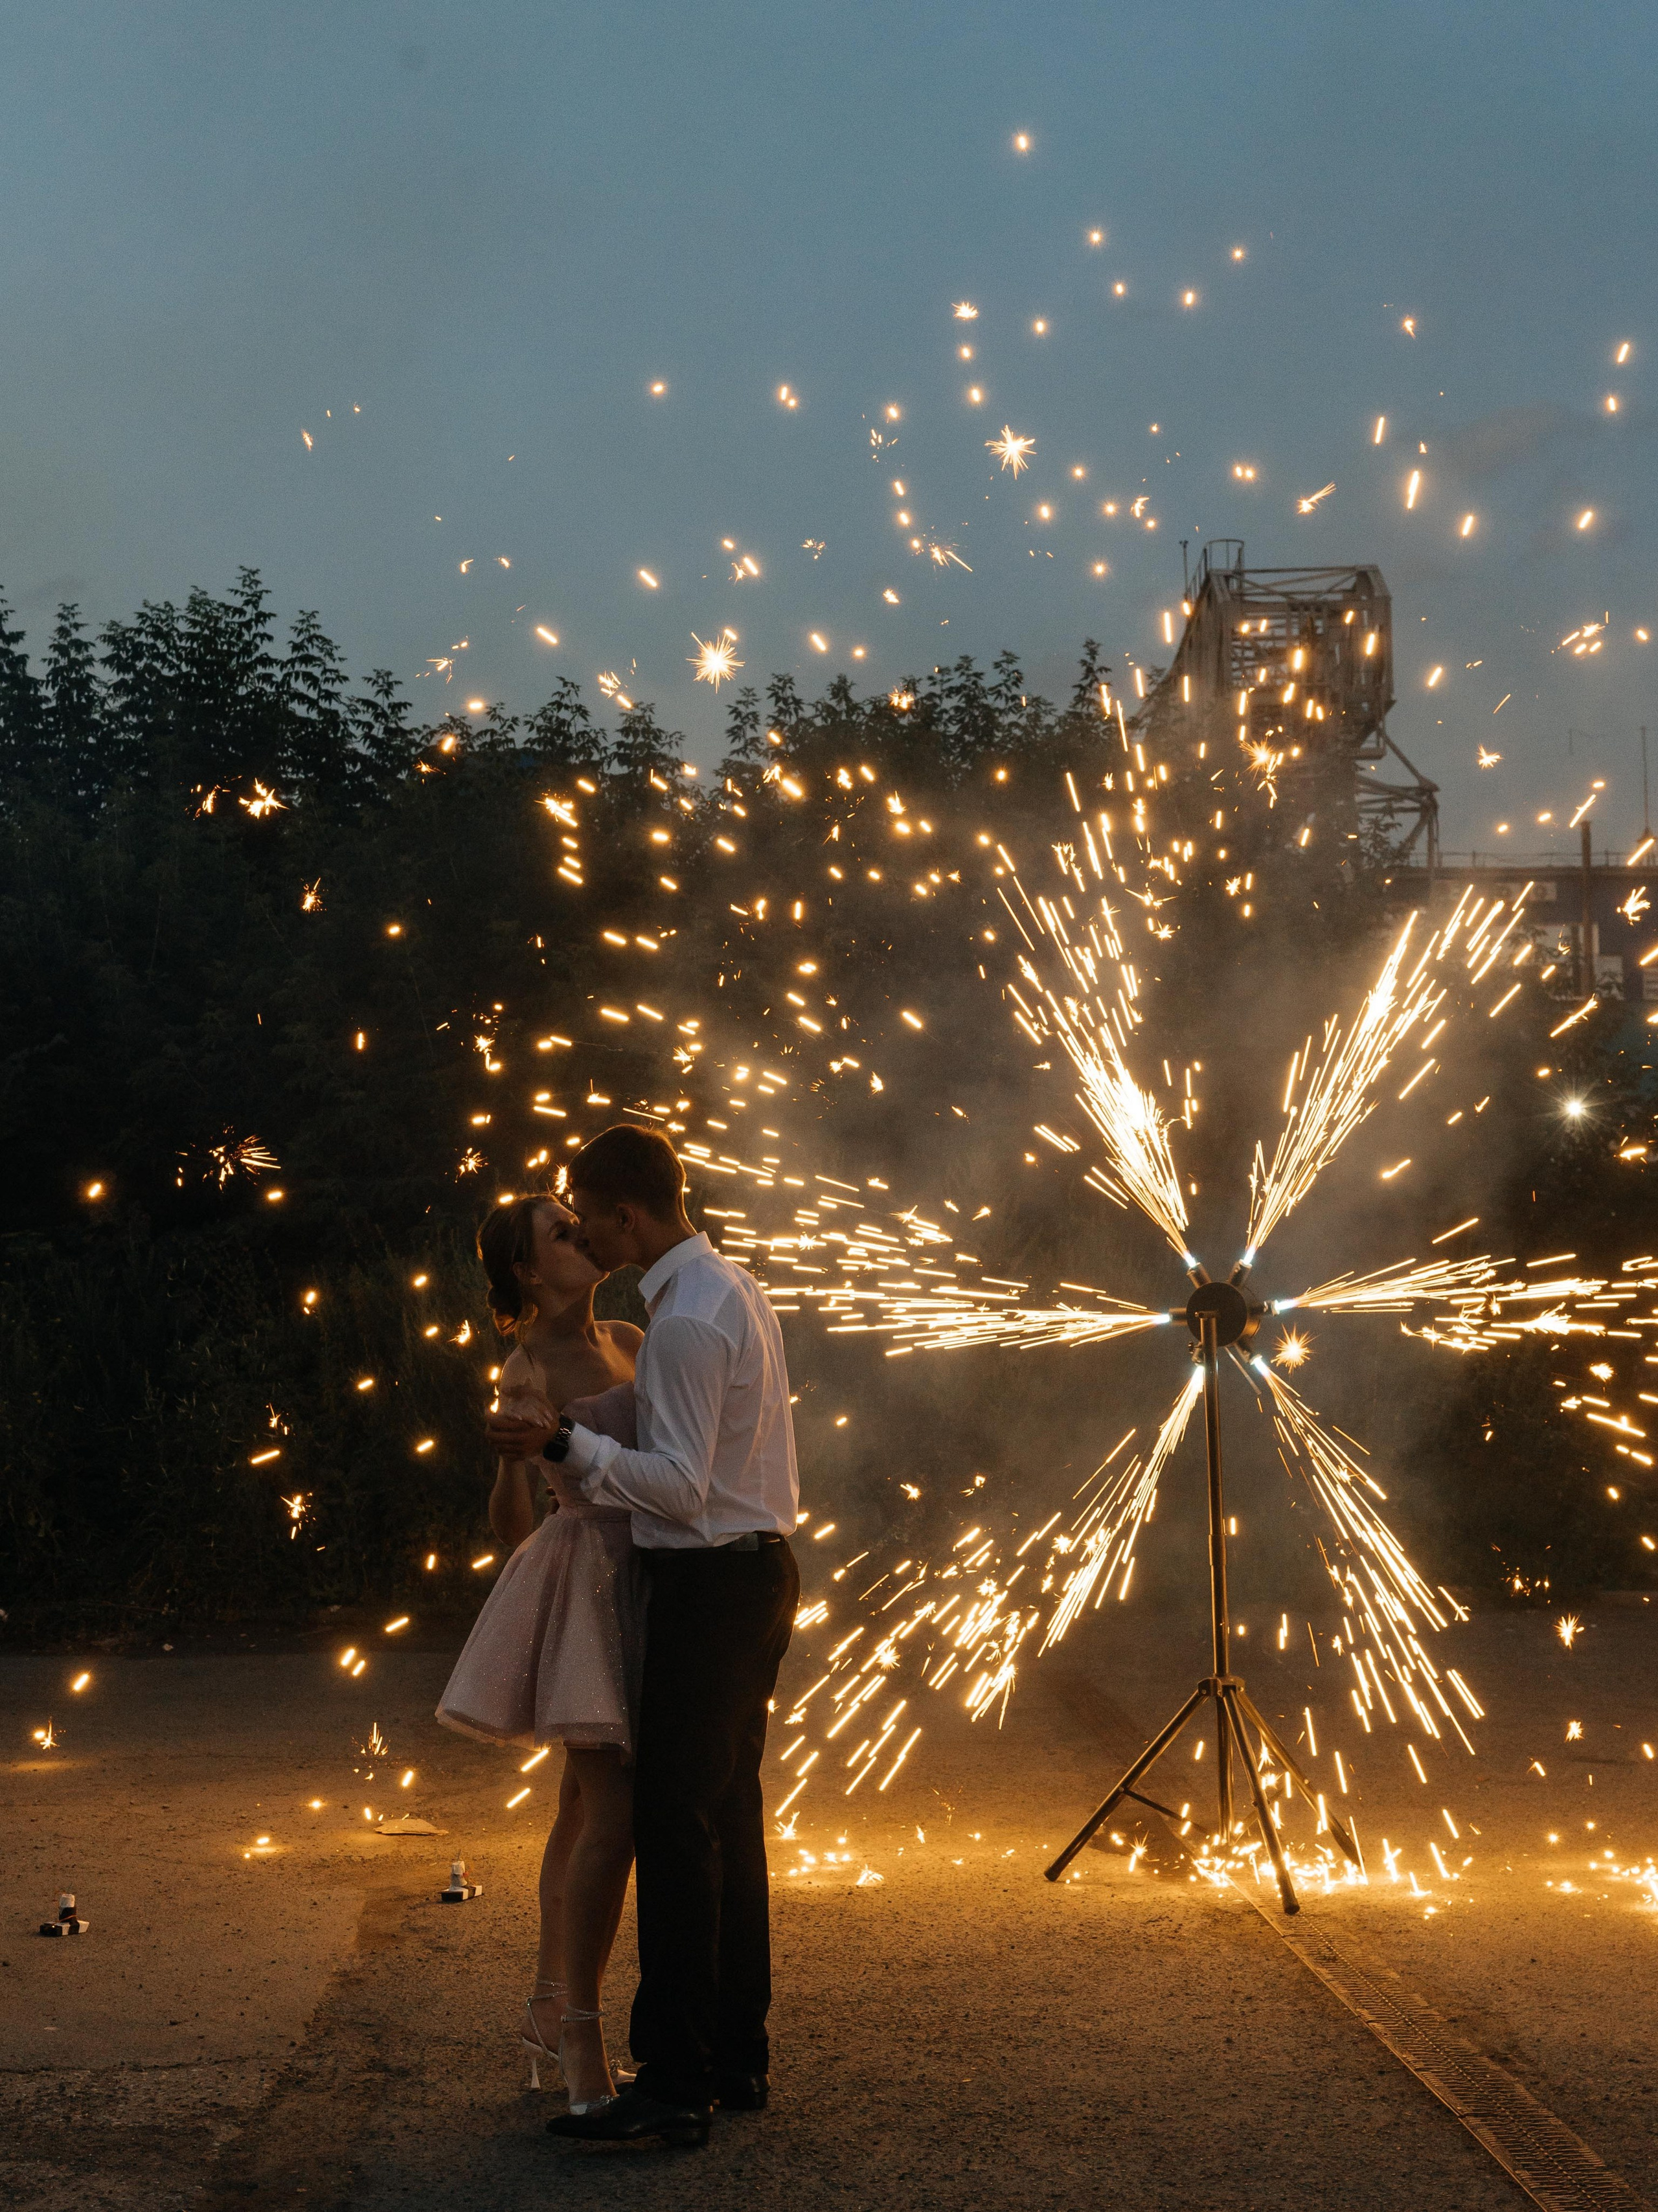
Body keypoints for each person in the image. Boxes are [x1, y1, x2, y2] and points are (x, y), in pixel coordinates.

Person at [486, 1124, 800, 2151]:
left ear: (630, 1213)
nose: (580, 1228)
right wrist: (563, 1428)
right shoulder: (725, 1288)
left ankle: (674, 2082)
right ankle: (733, 2054)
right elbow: (668, 1432)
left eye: (588, 1212)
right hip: (748, 1572)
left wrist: (568, 1441)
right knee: (724, 1814)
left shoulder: (684, 1323)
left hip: (712, 1582)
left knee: (675, 1823)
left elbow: (679, 1479)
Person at [436, 1192, 644, 2114]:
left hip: (651, 1570)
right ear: (527, 1270)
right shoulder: (527, 1366)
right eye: (562, 1232)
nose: (581, 1232)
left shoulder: (635, 1340)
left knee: (579, 1811)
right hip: (587, 1575)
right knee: (608, 1811)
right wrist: (509, 1460)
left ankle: (546, 2007)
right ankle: (576, 2036)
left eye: (578, 1222)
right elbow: (513, 1523)